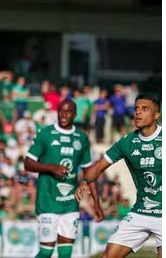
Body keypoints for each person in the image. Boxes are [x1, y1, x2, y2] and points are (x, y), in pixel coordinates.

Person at [75, 95, 162, 258]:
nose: (138, 113)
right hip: (141, 211)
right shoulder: (126, 142)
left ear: (156, 115)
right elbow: (99, 166)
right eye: (136, 109)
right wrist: (85, 181)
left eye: (145, 109)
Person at [23, 99, 102, 258]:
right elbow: (27, 163)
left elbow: (89, 173)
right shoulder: (45, 133)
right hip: (47, 201)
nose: (63, 114)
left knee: (66, 253)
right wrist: (50, 167)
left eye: (67, 111)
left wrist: (96, 204)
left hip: (70, 203)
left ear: (75, 114)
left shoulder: (81, 138)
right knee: (46, 251)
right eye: (60, 111)